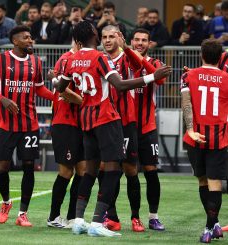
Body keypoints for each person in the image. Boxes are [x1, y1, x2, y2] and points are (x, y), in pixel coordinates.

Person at [53, 20, 171, 237]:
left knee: (90, 170)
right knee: (113, 170)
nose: (102, 36)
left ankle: (79, 220)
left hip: (86, 119)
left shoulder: (72, 59)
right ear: (93, 35)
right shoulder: (99, 58)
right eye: (99, 33)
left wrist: (56, 80)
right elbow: (119, 85)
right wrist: (152, 77)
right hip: (106, 119)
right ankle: (98, 222)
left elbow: (60, 86)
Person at [0, 25, 54, 227]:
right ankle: (6, 202)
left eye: (31, 37)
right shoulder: (1, 59)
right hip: (5, 124)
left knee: (29, 166)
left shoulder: (36, 62)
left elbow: (39, 89)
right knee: (2, 167)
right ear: (15, 41)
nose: (31, 40)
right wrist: (2, 99)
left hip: (29, 124)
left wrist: (59, 98)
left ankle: (23, 213)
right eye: (26, 37)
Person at [180, 39, 227, 243]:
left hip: (195, 138)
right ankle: (212, 226)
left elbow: (186, 104)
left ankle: (211, 225)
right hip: (219, 138)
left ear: (201, 55)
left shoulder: (188, 75)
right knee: (214, 183)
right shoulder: (226, 78)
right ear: (220, 58)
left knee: (202, 180)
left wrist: (190, 130)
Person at [100, 25, 145, 232]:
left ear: (120, 38)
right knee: (107, 168)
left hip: (127, 121)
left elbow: (140, 65)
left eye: (112, 36)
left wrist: (126, 47)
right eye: (104, 37)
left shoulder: (128, 57)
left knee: (130, 170)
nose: (108, 40)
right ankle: (112, 216)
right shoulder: (99, 59)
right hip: (105, 122)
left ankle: (136, 217)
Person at [129, 28, 166, 231]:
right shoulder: (122, 62)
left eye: (144, 40)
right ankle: (133, 217)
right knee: (128, 171)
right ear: (131, 41)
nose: (140, 43)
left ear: (149, 44)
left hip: (147, 127)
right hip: (126, 127)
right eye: (137, 40)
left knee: (151, 172)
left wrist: (141, 60)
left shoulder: (155, 63)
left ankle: (153, 216)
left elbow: (160, 80)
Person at [47, 42, 85, 229]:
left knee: (83, 170)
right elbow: (63, 92)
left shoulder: (84, 60)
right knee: (66, 171)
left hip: (81, 124)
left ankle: (72, 217)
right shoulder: (66, 60)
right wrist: (84, 100)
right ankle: (53, 216)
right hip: (66, 122)